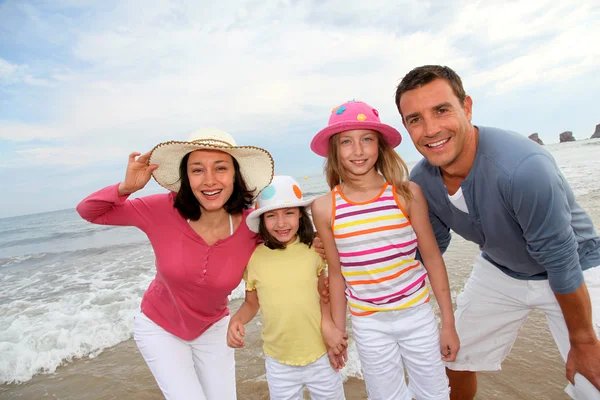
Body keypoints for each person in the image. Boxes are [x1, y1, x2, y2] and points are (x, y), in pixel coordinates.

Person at [394, 65, 600, 399]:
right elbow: (433, 244)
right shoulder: (422, 181)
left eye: (441, 110)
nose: (430, 129)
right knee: (454, 354)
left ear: (467, 107)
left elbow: (561, 260)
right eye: (415, 118)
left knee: (591, 377)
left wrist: (585, 341)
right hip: (501, 269)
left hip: (576, 268)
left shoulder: (522, 169)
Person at [76, 128, 275, 400]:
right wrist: (127, 188)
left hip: (214, 328)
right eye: (197, 170)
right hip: (159, 327)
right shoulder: (161, 210)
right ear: (186, 177)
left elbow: (292, 247)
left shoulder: (254, 225)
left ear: (235, 175)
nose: (209, 181)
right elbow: (90, 212)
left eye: (220, 168)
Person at [310, 100, 459, 400]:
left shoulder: (406, 194)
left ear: (380, 146)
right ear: (335, 151)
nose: (358, 150)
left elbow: (431, 258)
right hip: (369, 323)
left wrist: (448, 323)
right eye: (346, 142)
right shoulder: (325, 207)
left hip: (417, 315)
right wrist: (338, 332)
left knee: (435, 394)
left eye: (367, 139)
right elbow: (337, 275)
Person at [226, 175, 347, 400]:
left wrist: (332, 329)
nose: (281, 223)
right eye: (272, 216)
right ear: (262, 219)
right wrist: (237, 320)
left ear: (300, 214)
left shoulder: (315, 250)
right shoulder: (254, 258)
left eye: (289, 213)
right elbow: (252, 303)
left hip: (319, 354)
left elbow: (325, 296)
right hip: (278, 361)